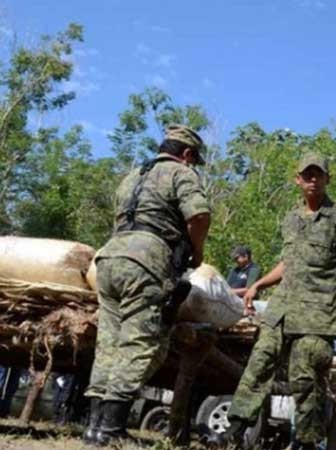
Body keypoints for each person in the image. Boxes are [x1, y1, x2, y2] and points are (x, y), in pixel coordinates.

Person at [214, 152, 336, 450]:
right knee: (258, 366)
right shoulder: (291, 218)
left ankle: (307, 443)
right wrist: (257, 284)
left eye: (317, 174)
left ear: (327, 179)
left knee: (305, 378)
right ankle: (234, 430)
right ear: (297, 179)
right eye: (306, 174)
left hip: (316, 315)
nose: (311, 179)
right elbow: (288, 263)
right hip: (282, 309)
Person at [83, 125, 211, 445]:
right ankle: (111, 430)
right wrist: (197, 252)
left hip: (109, 259)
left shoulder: (132, 175)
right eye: (193, 161)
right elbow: (199, 215)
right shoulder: (181, 173)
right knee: (138, 345)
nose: (192, 166)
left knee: (109, 345)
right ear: (187, 154)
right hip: (146, 262)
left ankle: (93, 428)